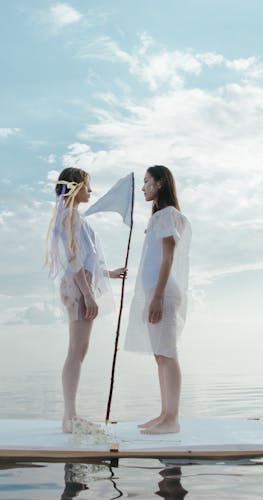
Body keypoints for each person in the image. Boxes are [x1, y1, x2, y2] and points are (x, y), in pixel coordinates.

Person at [45, 167, 127, 433]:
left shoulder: (69, 216)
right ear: (76, 186)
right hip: (79, 288)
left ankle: (70, 416)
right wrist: (88, 294)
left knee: (78, 350)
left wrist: (108, 273)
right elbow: (73, 260)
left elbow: (85, 259)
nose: (91, 191)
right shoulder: (70, 217)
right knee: (76, 351)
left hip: (78, 286)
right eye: (88, 185)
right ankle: (70, 418)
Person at [124, 165, 191, 434]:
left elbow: (168, 257)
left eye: (147, 182)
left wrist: (157, 296)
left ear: (160, 183)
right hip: (157, 292)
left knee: (168, 354)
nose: (143, 187)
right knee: (160, 356)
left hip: (162, 293)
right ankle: (165, 414)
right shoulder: (160, 216)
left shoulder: (166, 215)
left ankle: (172, 419)